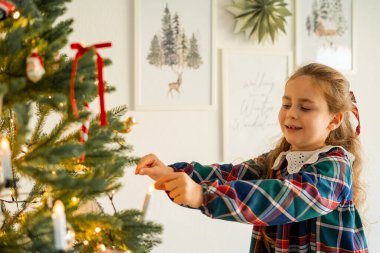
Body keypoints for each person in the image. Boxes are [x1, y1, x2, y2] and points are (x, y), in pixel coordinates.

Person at [135, 63, 368, 252]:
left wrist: (203, 195)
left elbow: (284, 198)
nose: (292, 113)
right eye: (286, 104)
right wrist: (174, 173)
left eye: (305, 108)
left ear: (334, 120)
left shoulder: (334, 167)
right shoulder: (277, 160)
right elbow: (228, 174)